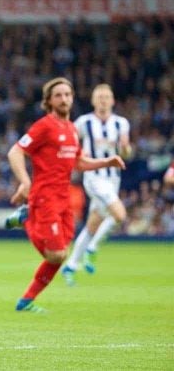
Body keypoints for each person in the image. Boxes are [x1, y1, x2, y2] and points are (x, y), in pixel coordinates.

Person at [7, 77, 125, 312]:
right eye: (58, 95)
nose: (64, 99)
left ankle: (26, 301)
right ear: (49, 101)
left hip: (64, 199)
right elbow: (15, 151)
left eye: (68, 94)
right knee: (57, 254)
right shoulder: (44, 126)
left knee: (61, 254)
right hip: (44, 197)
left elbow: (78, 161)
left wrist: (106, 161)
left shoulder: (72, 129)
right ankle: (27, 217)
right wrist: (24, 181)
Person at [61, 84, 132, 286]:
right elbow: (71, 146)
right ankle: (92, 249)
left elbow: (127, 152)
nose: (103, 100)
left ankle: (71, 265)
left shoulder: (121, 123)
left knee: (93, 224)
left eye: (106, 97)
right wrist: (80, 157)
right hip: (94, 177)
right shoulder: (83, 122)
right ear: (93, 101)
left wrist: (125, 148)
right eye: (99, 97)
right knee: (119, 214)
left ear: (112, 101)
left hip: (113, 179)